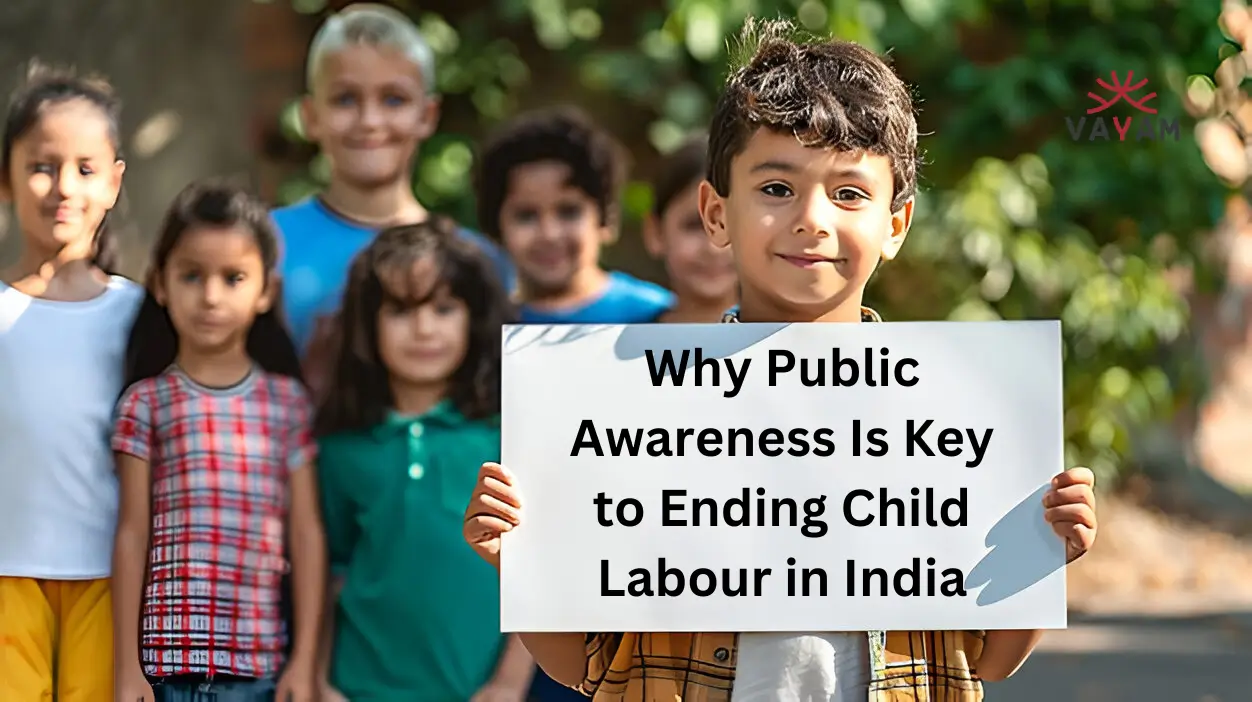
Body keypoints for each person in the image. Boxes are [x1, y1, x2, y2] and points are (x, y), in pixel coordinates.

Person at [461, 18, 1100, 702]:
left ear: (895, 225)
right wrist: (518, 561)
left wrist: (1044, 552)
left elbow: (993, 659)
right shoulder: (638, 407)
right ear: (715, 214)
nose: (812, 219)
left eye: (849, 192)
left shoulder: (957, 412)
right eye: (775, 189)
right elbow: (581, 665)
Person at [110, 181, 326, 702]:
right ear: (160, 283)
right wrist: (126, 668)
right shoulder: (146, 403)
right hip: (165, 669)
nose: (210, 296)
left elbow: (306, 535)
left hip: (258, 670)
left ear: (266, 291)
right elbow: (132, 535)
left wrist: (304, 663)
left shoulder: (286, 404)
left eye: (233, 278)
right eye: (191, 275)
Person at [313, 220, 534, 702]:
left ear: (472, 317)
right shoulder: (340, 447)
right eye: (400, 310)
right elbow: (330, 571)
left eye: (444, 307)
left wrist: (508, 683)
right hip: (357, 690)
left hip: (477, 692)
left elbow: (539, 572)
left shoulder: (510, 437)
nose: (424, 329)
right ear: (367, 325)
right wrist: (320, 680)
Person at [0, 63, 141, 702]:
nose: (63, 187)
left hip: (106, 582)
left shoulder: (142, 316)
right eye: (41, 164)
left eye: (86, 169)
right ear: (5, 178)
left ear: (114, 181)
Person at [273, 3, 513, 366]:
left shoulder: (476, 262)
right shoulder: (261, 248)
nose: (370, 121)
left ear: (428, 115)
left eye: (393, 99)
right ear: (311, 116)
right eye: (345, 99)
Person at [474, 106, 674, 325]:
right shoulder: (483, 329)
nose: (549, 234)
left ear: (607, 218)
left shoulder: (658, 318)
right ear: (495, 227)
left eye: (569, 212)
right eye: (526, 216)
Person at [642, 136, 737, 322]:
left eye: (729, 224)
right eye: (694, 226)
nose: (713, 248)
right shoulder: (619, 344)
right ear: (655, 232)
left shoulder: (789, 345)